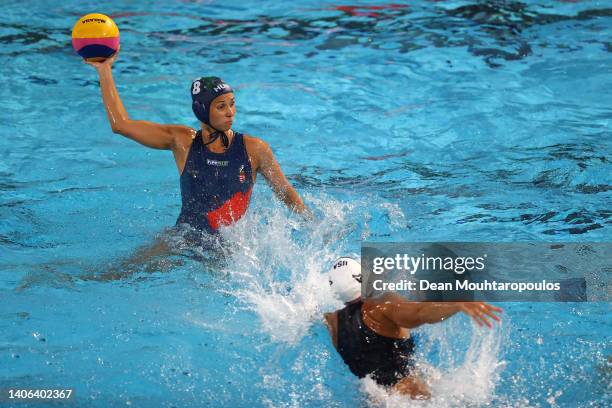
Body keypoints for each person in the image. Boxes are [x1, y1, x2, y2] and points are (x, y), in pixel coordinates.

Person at [85, 47, 308, 235]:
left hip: (231, 248)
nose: (230, 112)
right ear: (202, 110)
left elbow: (285, 192)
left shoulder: (254, 149)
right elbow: (120, 124)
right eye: (221, 106)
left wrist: (314, 225)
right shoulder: (183, 142)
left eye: (232, 103)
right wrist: (105, 70)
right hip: (183, 239)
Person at [324, 257, 503, 399]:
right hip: (412, 399)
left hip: (374, 401)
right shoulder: (381, 305)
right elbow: (419, 312)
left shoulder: (332, 323)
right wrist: (456, 304)